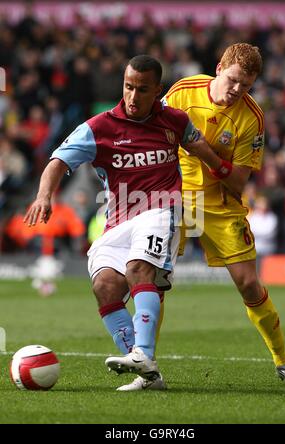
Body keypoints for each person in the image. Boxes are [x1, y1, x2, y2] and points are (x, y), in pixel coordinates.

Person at [23, 55, 226, 391]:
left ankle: (143, 353)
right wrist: (44, 195)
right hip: (117, 220)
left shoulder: (174, 120)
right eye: (128, 87)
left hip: (162, 209)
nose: (133, 96)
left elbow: (198, 143)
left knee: (138, 268)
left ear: (157, 91)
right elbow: (58, 160)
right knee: (105, 287)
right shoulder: (99, 127)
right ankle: (148, 372)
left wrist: (223, 172)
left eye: (142, 90)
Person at [162, 43, 285, 387]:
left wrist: (205, 153)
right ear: (220, 67)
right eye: (234, 80)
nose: (238, 90)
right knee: (154, 280)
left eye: (247, 86)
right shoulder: (183, 91)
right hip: (174, 196)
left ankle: (284, 361)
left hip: (220, 204)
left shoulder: (252, 117)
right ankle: (144, 360)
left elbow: (238, 180)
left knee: (249, 284)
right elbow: (153, 135)